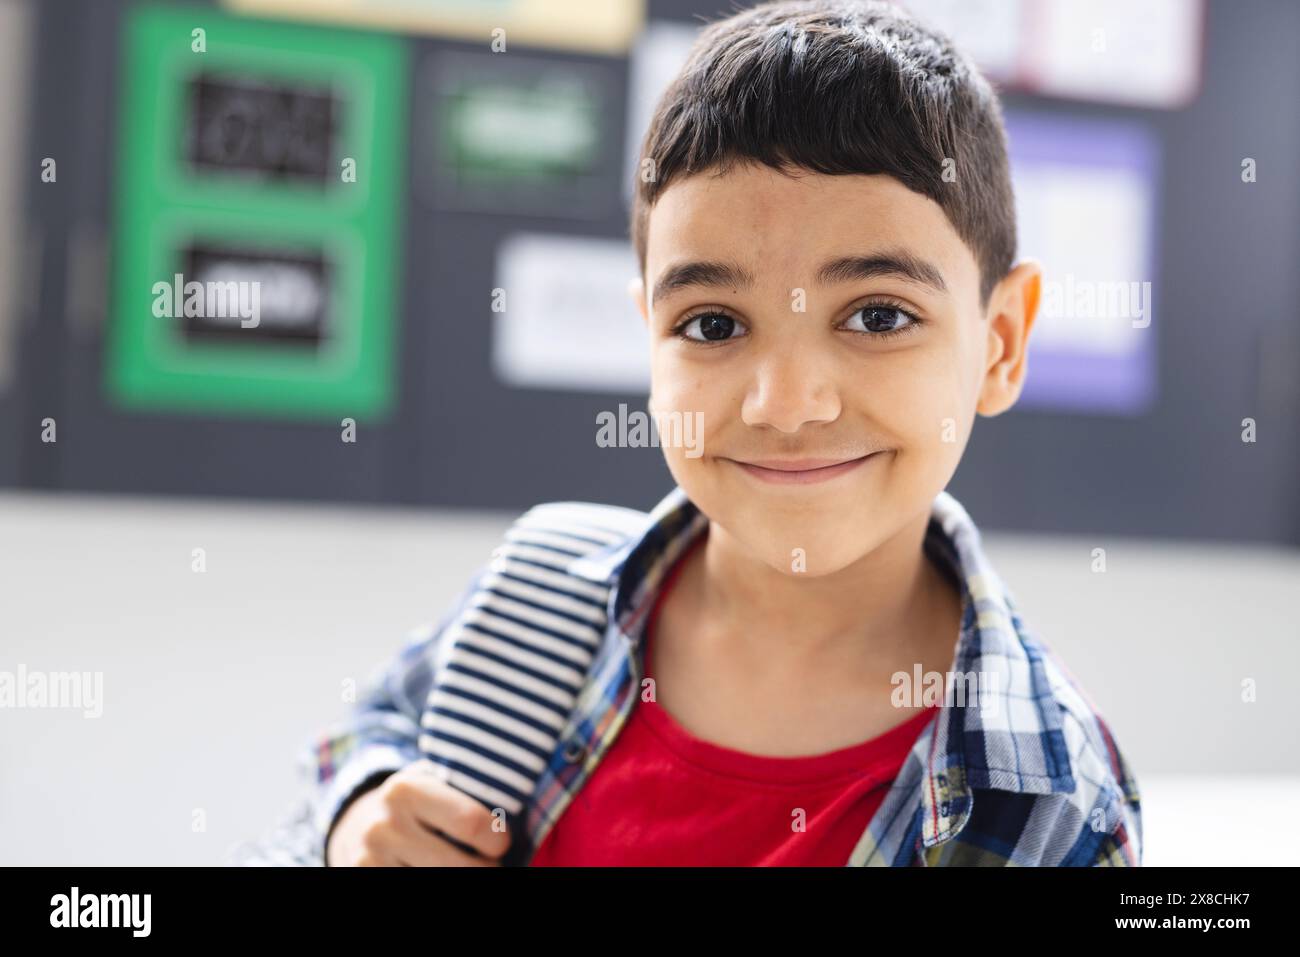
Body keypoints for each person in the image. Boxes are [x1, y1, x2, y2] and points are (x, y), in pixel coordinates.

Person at [257, 0, 1141, 868]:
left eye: (877, 314)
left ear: (1001, 342)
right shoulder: (537, 595)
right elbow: (352, 750)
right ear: (649, 335)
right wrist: (354, 814)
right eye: (713, 324)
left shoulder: (1049, 799)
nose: (786, 405)